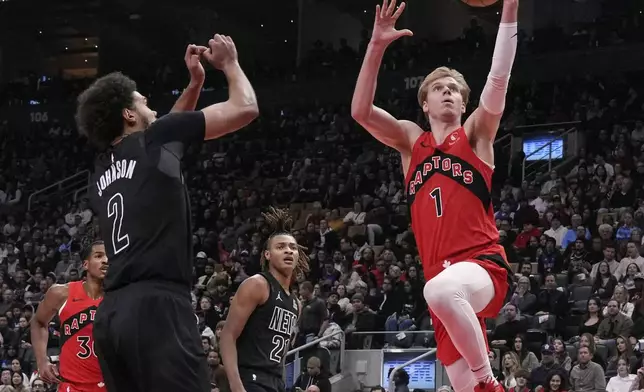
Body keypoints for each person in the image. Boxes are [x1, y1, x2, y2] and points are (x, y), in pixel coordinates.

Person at [351, 0, 519, 391]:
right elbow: (361, 111)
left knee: (440, 290)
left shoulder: (476, 134)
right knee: (441, 293)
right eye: (439, 89)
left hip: (482, 267)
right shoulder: (412, 142)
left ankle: (488, 381)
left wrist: (509, 9)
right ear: (424, 103)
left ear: (464, 103)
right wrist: (376, 45)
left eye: (455, 90)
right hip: (445, 290)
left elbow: (498, 79)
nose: (447, 93)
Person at [75, 36, 259, 392]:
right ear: (129, 115)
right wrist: (230, 64)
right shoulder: (155, 139)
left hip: (112, 315)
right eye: (143, 102)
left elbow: (166, 136)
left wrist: (195, 84)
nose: (152, 107)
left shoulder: (98, 174)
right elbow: (245, 108)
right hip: (158, 307)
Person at [220, 207, 309, 392]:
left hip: (275, 382)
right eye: (280, 247)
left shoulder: (296, 304)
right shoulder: (257, 285)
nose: (288, 251)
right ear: (267, 255)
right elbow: (228, 335)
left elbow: (281, 353)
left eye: (293, 248)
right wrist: (236, 386)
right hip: (250, 378)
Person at [31, 240, 108, 392]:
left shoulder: (120, 297)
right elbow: (38, 322)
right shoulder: (61, 293)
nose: (105, 260)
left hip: (110, 384)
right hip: (72, 385)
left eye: (109, 257)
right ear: (85, 264)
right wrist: (41, 361)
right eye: (98, 256)